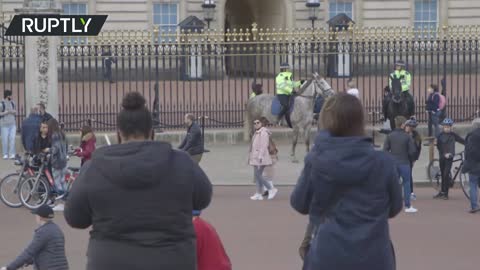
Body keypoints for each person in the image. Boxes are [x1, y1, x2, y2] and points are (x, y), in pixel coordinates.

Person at [64, 92, 212, 270]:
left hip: (111, 261)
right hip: (172, 260)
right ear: (152, 133)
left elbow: (75, 218)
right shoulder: (181, 163)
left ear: (119, 134)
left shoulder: (93, 169)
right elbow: (203, 197)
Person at [291, 93, 403, 270]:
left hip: (328, 255)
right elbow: (395, 207)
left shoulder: (317, 160)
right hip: (374, 256)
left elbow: (299, 203)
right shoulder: (383, 162)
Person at [0, 204, 69, 270]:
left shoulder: (43, 232)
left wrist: (9, 268)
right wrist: (29, 261)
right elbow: (49, 252)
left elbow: (28, 252)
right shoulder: (58, 230)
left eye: (36, 215)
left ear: (40, 217)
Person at [383, 116, 418, 213]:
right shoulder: (407, 136)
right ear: (403, 125)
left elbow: (385, 150)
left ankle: (391, 205)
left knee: (393, 184)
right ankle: (407, 206)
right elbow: (412, 151)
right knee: (406, 184)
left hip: (393, 162)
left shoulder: (390, 135)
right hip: (405, 162)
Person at [434, 118, 465, 200]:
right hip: (442, 157)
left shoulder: (453, 135)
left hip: (449, 158)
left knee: (446, 174)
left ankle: (446, 194)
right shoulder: (440, 135)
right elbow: (439, 147)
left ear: (451, 127)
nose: (447, 128)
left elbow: (462, 141)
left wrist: (470, 144)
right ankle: (442, 191)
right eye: (445, 127)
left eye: (448, 127)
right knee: (443, 175)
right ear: (443, 127)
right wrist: (444, 154)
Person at [248, 117, 278, 200]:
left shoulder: (263, 132)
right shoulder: (256, 132)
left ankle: (271, 189)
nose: (256, 124)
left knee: (258, 175)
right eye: (254, 123)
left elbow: (263, 146)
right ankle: (258, 193)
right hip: (255, 157)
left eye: (258, 123)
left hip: (260, 157)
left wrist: (260, 156)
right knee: (258, 175)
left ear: (261, 123)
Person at [48, 119, 68, 211]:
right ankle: (66, 201)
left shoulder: (54, 136)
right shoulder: (62, 134)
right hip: (64, 160)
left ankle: (61, 203)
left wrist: (49, 151)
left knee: (57, 182)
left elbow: (55, 149)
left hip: (57, 162)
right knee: (63, 182)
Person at [276, 62, 302, 128]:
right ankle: (278, 118)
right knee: (286, 106)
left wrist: (300, 82)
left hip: (289, 93)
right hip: (282, 94)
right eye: (287, 68)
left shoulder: (289, 75)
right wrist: (290, 91)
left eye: (288, 68)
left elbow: (292, 84)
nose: (288, 69)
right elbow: (282, 86)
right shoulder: (280, 76)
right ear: (284, 69)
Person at [462, 118, 480, 213]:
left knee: (472, 185)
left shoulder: (471, 135)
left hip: (473, 163)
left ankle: (474, 206)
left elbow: (468, 150)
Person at [405, 118, 422, 201]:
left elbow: (418, 148)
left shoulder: (416, 136)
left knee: (408, 175)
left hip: (410, 158)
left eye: (412, 127)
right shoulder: (402, 134)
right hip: (402, 157)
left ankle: (411, 192)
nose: (410, 128)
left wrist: (415, 159)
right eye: (409, 126)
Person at [0, 89, 17, 159]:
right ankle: (5, 154)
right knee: (5, 139)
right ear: (7, 96)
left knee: (12, 139)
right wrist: (5, 112)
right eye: (10, 95)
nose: (11, 96)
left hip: (12, 124)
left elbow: (15, 111)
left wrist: (13, 111)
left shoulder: (13, 103)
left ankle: (12, 153)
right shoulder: (1, 103)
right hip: (4, 124)